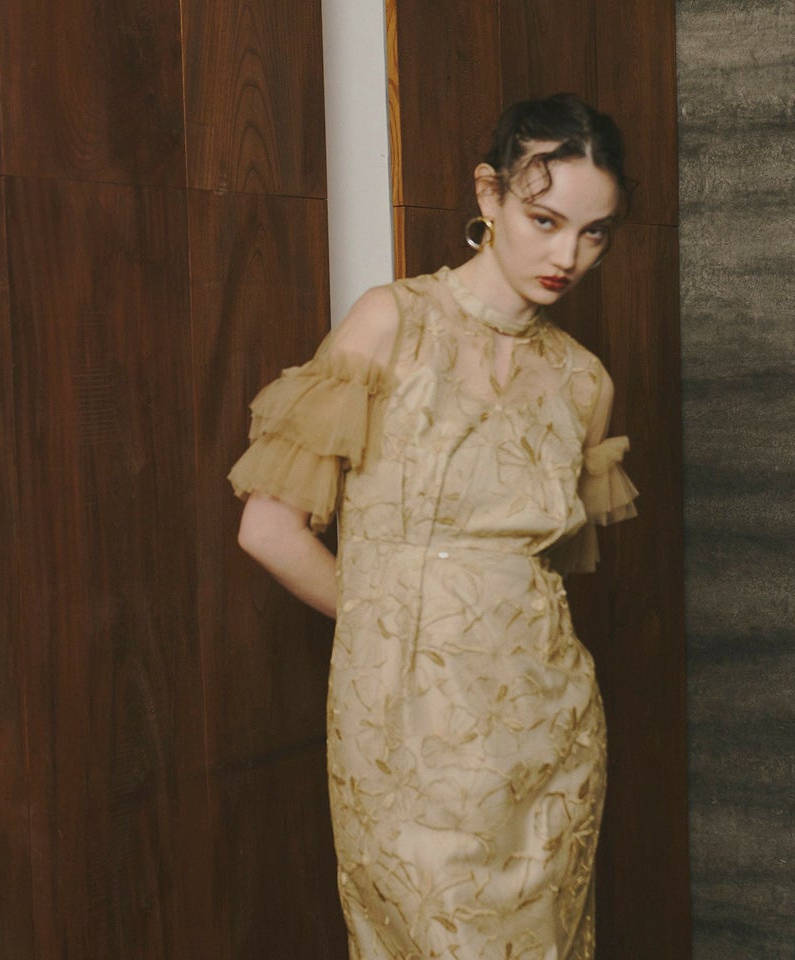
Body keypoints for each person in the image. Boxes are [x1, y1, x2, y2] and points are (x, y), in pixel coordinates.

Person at [228, 92, 638, 960]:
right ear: (488, 194)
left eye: (593, 233)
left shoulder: (584, 381)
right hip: (404, 717)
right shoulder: (393, 322)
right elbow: (268, 529)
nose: (566, 256)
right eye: (544, 220)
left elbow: (542, 576)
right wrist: (394, 626)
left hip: (550, 728)